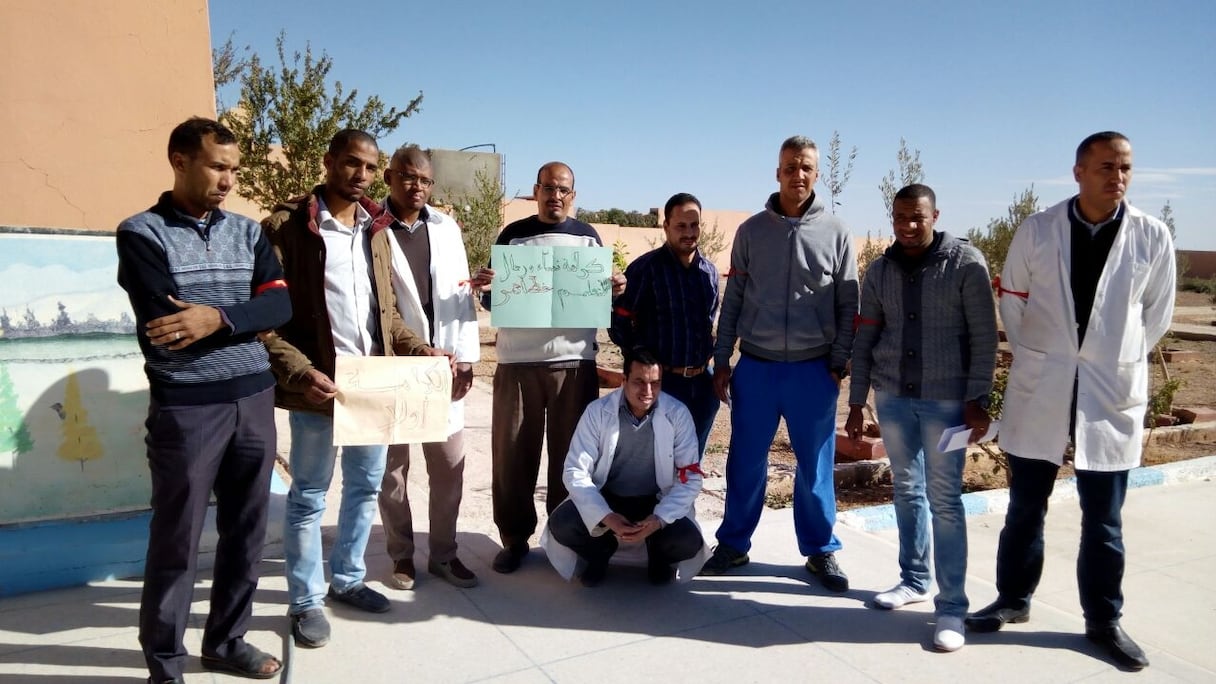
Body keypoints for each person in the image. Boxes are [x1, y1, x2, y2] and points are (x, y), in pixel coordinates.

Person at [966, 132, 1175, 672]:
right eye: (1106, 166)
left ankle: (1103, 620)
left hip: (1109, 392)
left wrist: (1109, 354)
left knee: (1103, 519)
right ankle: (1013, 599)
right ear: (1079, 171)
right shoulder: (1037, 230)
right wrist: (1047, 353)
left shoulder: (1152, 237)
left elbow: (1156, 315)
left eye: (1125, 167)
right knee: (1024, 507)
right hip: (1044, 384)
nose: (1118, 177)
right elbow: (1012, 299)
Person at [261, 129, 450, 649]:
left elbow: (386, 316)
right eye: (351, 164)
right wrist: (301, 373)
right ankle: (304, 601)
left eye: (369, 167)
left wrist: (421, 350)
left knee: (365, 489)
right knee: (309, 496)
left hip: (372, 389)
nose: (361, 175)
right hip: (318, 388)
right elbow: (266, 323)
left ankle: (346, 580)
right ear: (328, 162)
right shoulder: (287, 228)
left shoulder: (376, 230)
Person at [117, 117, 289, 682]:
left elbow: (278, 307)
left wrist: (217, 315)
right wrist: (243, 316)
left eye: (234, 170)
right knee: (178, 537)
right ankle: (165, 665)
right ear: (180, 160)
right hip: (187, 407)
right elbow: (165, 319)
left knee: (247, 531)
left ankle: (226, 641)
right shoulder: (141, 233)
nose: (229, 181)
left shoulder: (249, 233)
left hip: (255, 398)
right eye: (219, 166)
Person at [845, 184, 997, 652]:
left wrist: (978, 399)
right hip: (892, 399)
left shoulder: (966, 265)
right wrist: (856, 401)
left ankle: (951, 606)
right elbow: (866, 335)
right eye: (900, 217)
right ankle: (913, 581)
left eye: (917, 218)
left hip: (946, 404)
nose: (908, 226)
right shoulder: (881, 270)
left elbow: (984, 336)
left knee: (945, 501)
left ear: (935, 216)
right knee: (907, 490)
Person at [702, 135, 858, 592]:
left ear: (816, 173)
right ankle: (733, 544)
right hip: (758, 367)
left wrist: (839, 360)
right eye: (790, 166)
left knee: (815, 466)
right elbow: (733, 301)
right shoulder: (752, 232)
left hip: (814, 370)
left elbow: (848, 303)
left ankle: (821, 550)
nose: (798, 174)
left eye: (806, 167)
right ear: (777, 173)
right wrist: (722, 357)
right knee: (746, 461)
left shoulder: (837, 232)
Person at [470, 162, 626, 574]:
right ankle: (514, 539)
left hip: (574, 365)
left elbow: (602, 303)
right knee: (512, 456)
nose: (555, 195)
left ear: (573, 194)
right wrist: (486, 288)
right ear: (535, 191)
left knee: (571, 460)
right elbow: (492, 302)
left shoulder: (589, 240)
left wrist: (615, 287)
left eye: (563, 189)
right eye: (547, 188)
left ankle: (565, 539)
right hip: (517, 363)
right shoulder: (512, 237)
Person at [376, 145, 480, 591]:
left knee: (448, 465)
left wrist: (468, 358)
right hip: (394, 365)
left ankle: (444, 554)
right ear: (389, 178)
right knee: (393, 470)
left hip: (445, 363)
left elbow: (461, 299)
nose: (416, 185)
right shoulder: (371, 230)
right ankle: (402, 556)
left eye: (424, 179)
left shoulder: (447, 227)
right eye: (407, 176)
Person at [540, 347, 709, 586]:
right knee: (562, 525)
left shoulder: (677, 414)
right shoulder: (598, 412)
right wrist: (606, 516)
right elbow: (575, 471)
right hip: (609, 497)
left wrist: (658, 520)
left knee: (688, 540)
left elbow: (691, 478)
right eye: (639, 382)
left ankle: (658, 557)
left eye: (655, 383)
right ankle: (599, 554)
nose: (648, 392)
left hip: (655, 499)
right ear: (624, 380)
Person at [609, 192, 720, 456]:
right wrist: (643, 365)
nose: (689, 232)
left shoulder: (710, 272)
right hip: (663, 386)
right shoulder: (644, 270)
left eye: (694, 225)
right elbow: (618, 323)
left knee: (690, 467)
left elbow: (710, 322)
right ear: (666, 226)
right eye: (681, 225)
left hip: (703, 386)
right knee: (657, 465)